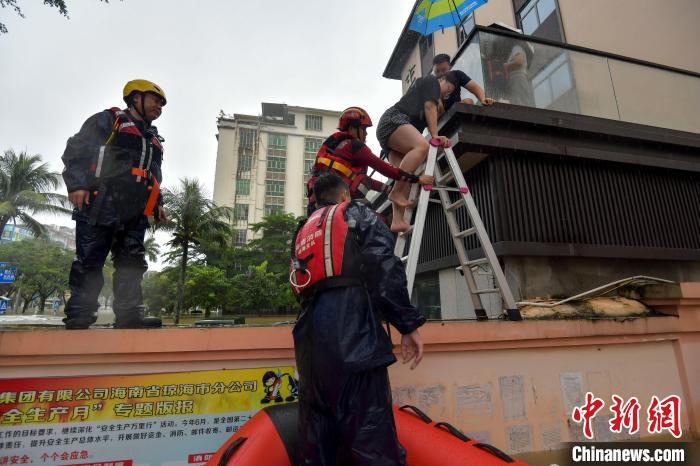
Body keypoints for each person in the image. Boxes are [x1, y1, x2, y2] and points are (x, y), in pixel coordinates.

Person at [290, 173, 426, 465]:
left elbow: (299, 287)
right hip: (354, 340)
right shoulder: (356, 212)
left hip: (309, 347)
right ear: (343, 196)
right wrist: (407, 324)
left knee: (316, 445)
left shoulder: (302, 231)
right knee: (372, 439)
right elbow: (385, 268)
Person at [61, 79, 167, 330]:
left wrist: (158, 203)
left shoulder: (152, 138)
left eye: (162, 104)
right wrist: (77, 185)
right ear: (135, 98)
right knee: (90, 258)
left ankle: (130, 314)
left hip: (135, 208)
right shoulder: (108, 120)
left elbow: (153, 174)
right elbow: (76, 151)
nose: (159, 107)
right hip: (102, 201)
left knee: (132, 261)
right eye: (155, 100)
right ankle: (79, 314)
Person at [306, 106, 434, 216]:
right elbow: (385, 168)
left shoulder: (333, 149)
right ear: (352, 128)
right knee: (378, 227)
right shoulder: (354, 146)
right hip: (338, 206)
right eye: (364, 129)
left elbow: (363, 181)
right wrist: (416, 179)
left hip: (314, 209)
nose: (366, 134)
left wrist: (390, 190)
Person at [376, 71, 459, 232]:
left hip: (390, 133)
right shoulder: (431, 81)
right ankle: (396, 192)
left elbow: (432, 112)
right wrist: (435, 136)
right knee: (422, 146)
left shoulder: (430, 98)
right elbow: (430, 107)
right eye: (448, 89)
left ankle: (397, 220)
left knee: (405, 174)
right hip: (394, 120)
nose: (448, 93)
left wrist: (439, 108)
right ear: (442, 79)